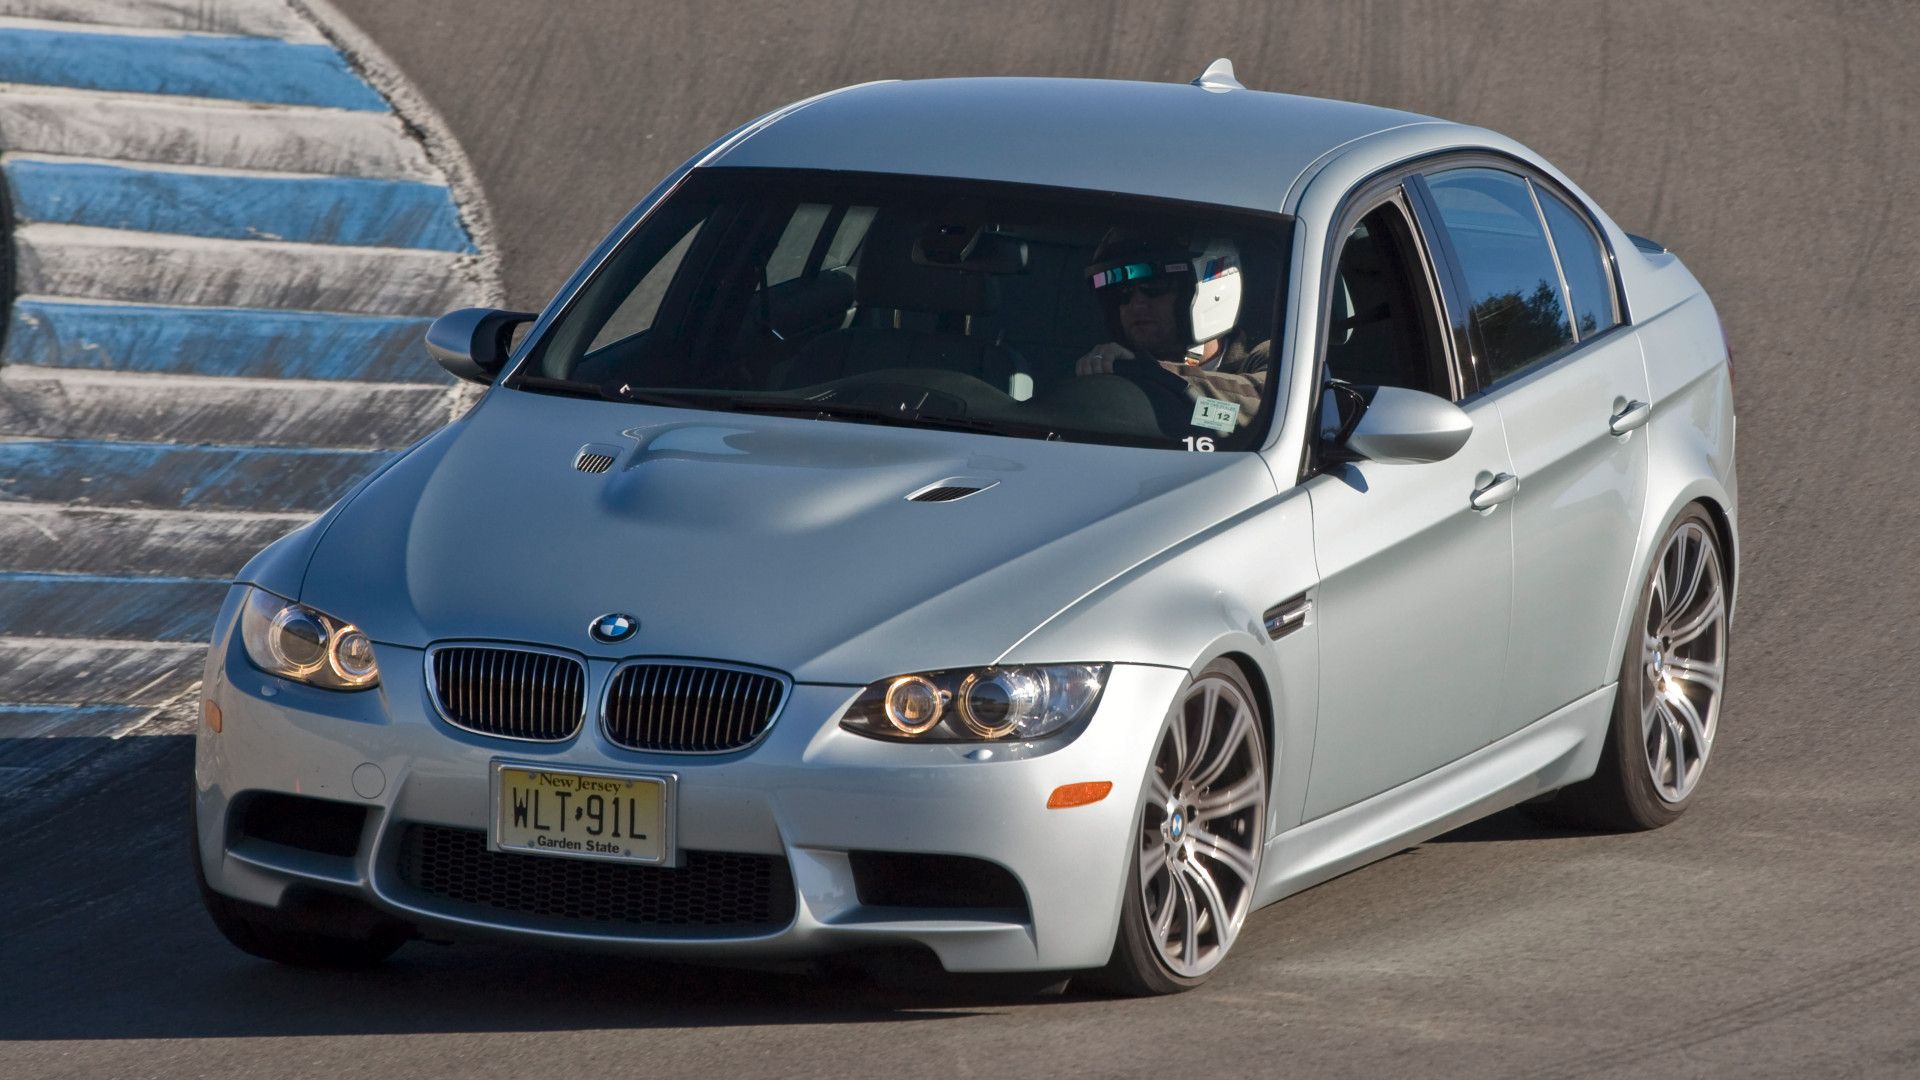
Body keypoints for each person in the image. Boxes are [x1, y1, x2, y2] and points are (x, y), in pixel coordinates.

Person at [1074, 230, 1269, 430]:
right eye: (1123, 291)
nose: (1137, 305)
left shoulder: (1270, 358)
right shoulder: (1109, 366)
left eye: (1155, 285)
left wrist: (1145, 373)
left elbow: (1256, 411)